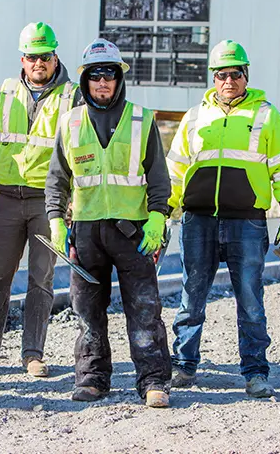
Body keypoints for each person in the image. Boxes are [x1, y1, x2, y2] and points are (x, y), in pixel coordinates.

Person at [165, 40, 280, 398]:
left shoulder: (266, 115)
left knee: (251, 300)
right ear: (213, 77)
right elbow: (176, 170)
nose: (229, 81)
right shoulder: (194, 117)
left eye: (235, 74)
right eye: (222, 75)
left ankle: (255, 372)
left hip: (248, 222)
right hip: (198, 220)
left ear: (246, 75)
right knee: (192, 296)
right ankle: (184, 365)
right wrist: (163, 211)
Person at [45, 38, 172, 408]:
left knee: (145, 309)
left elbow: (159, 179)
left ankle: (153, 381)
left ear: (119, 79)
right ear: (84, 80)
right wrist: (55, 220)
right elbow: (57, 179)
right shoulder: (69, 123)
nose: (103, 82)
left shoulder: (141, 119)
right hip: (86, 233)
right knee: (86, 312)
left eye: (110, 75)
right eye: (95, 75)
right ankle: (92, 378)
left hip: (132, 233)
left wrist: (158, 219)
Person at [0, 22, 81, 377]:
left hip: (49, 201)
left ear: (55, 56)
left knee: (41, 279)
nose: (38, 63)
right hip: (9, 199)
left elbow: (78, 150)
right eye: (32, 57)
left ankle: (33, 353)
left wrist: (72, 201)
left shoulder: (71, 96)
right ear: (23, 59)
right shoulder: (7, 90)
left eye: (44, 56)